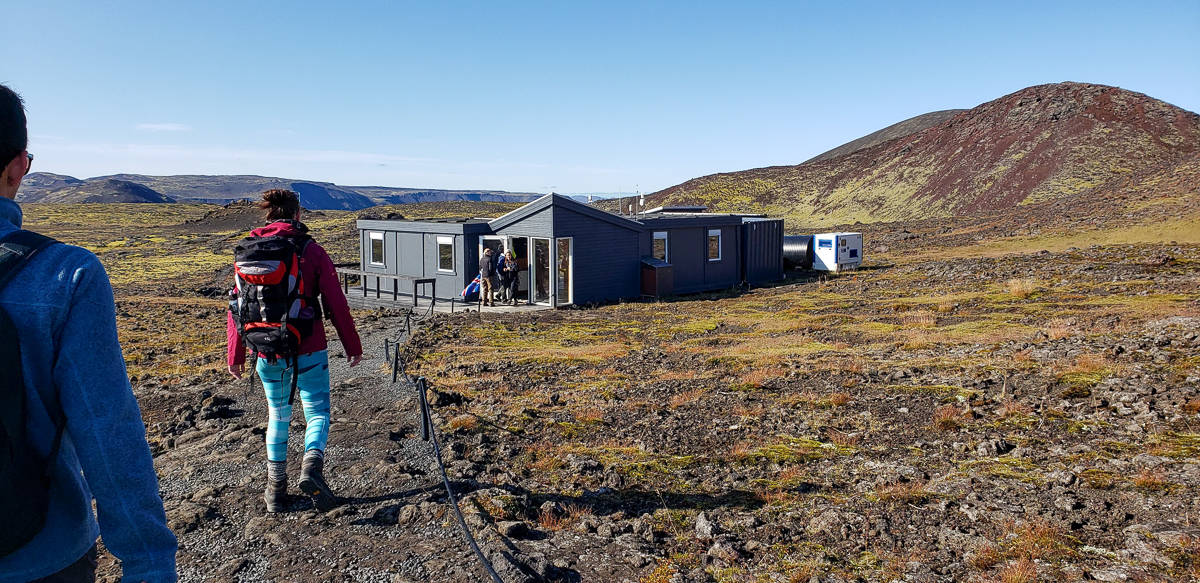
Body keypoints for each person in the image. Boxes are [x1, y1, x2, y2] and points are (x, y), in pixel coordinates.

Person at [0, 84, 177, 582]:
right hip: (39, 555)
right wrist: (148, 563)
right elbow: (107, 431)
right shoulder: (63, 274)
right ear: (19, 165)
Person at [226, 189, 363, 513]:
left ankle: (275, 492)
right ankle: (311, 470)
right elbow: (336, 303)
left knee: (278, 416)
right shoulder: (310, 250)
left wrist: (236, 355)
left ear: (269, 215)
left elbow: (237, 305)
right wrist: (352, 346)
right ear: (298, 214)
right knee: (317, 413)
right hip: (310, 347)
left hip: (265, 351)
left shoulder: (247, 252)